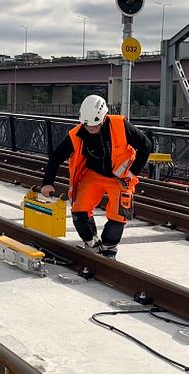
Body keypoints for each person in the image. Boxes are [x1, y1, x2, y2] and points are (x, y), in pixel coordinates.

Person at [40, 94, 152, 257]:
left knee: (119, 215)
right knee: (79, 211)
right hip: (93, 174)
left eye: (95, 126)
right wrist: (47, 182)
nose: (91, 130)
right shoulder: (77, 134)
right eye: (88, 126)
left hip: (120, 178)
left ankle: (109, 246)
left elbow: (146, 145)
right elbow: (57, 156)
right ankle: (91, 242)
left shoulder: (120, 125)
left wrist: (133, 171)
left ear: (103, 118)